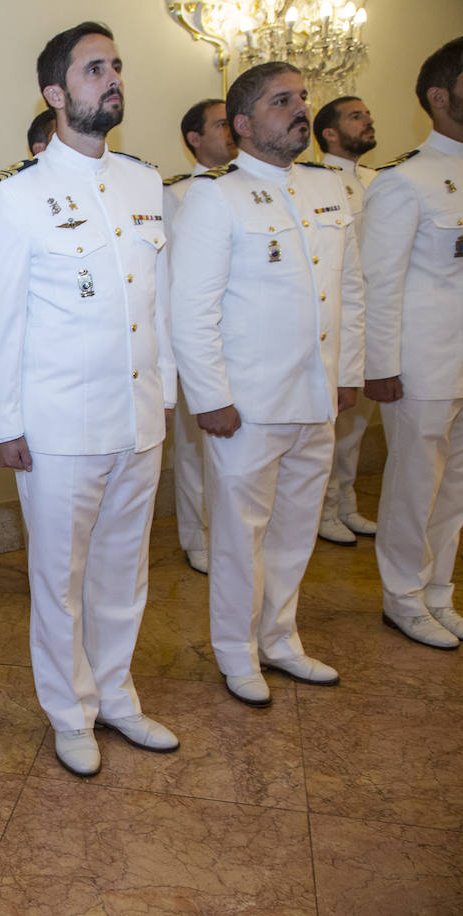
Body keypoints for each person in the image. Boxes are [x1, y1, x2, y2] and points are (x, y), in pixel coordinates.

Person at [0, 22, 179, 778]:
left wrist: (164, 398)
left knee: (124, 573)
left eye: (117, 66)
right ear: (57, 94)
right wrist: (5, 422)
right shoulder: (16, 195)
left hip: (138, 416)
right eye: (95, 69)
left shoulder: (143, 181)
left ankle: (118, 698)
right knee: (59, 583)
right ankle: (71, 713)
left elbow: (153, 305)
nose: (113, 78)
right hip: (60, 426)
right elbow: (3, 320)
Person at [169, 62, 365, 707]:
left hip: (317, 396)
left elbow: (350, 292)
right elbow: (191, 309)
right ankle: (236, 652)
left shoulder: (328, 188)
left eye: (303, 99)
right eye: (282, 101)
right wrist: (212, 399)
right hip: (248, 407)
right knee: (239, 537)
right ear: (245, 125)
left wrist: (349, 375)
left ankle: (280, 639)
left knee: (295, 530)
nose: (300, 110)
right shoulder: (215, 196)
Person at [361, 37, 463, 649]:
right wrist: (381, 365)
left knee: (456, 486)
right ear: (439, 95)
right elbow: (379, 281)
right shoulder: (406, 180)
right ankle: (402, 595)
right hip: (423, 364)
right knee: (414, 485)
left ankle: (438, 592)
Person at [161, 98, 238, 574]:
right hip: (195, 335)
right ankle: (199, 537)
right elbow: (172, 278)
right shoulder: (175, 195)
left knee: (238, 450)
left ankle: (234, 534)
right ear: (194, 138)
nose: (231, 131)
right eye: (220, 124)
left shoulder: (251, 188)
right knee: (194, 447)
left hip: (241, 339)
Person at [312, 96, 380, 546]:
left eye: (367, 114)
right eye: (356, 116)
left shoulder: (381, 179)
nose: (368, 120)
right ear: (330, 133)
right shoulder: (319, 183)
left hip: (374, 315)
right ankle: (324, 507)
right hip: (335, 317)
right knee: (331, 424)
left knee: (358, 421)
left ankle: (347, 501)